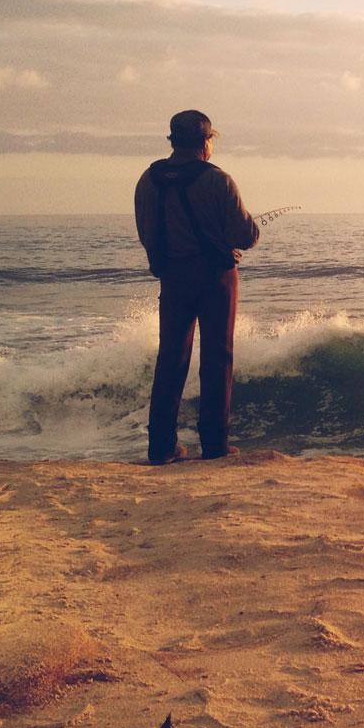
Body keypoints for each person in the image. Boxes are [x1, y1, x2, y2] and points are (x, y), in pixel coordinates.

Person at [134, 110, 260, 465]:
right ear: (206, 142)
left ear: (173, 141)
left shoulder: (149, 179)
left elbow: (147, 232)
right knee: (217, 358)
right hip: (216, 278)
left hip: (173, 278)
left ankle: (161, 447)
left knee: (170, 359)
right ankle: (215, 446)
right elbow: (245, 235)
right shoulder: (218, 180)